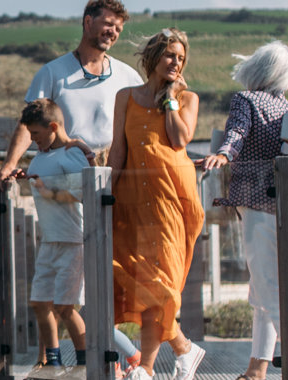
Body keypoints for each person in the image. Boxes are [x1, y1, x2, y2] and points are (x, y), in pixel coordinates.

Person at [109, 28, 205, 380]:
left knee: (161, 284)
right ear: (153, 58)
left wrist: (170, 101)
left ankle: (145, 370)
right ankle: (183, 348)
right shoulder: (126, 97)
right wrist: (108, 195)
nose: (175, 63)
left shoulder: (188, 99)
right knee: (144, 282)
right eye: (169, 56)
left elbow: (181, 138)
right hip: (133, 203)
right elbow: (119, 149)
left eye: (180, 58)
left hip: (172, 203)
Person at [201, 41, 288, 380]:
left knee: (266, 286)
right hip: (286, 207)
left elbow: (237, 133)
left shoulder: (246, 100)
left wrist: (225, 154)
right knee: (262, 290)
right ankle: (256, 369)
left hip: (254, 203)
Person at [0, 0, 143, 189]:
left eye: (118, 29)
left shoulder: (128, 77)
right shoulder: (53, 73)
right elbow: (29, 123)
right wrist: (9, 166)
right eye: (108, 24)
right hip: (63, 173)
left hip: (113, 173)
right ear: (88, 22)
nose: (113, 33)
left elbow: (143, 126)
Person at [19, 99, 93, 369]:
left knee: (65, 307)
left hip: (73, 241)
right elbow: (40, 178)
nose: (33, 140)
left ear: (53, 127)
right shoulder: (41, 156)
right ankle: (52, 361)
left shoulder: (71, 154)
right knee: (40, 303)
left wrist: (51, 192)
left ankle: (85, 363)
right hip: (50, 240)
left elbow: (85, 191)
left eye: (36, 134)